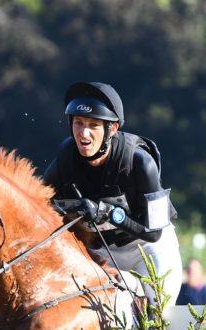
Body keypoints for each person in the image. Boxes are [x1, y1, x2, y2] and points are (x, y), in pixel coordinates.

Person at [43, 81, 183, 312]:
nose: (83, 133)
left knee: (161, 317)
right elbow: (42, 203)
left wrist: (107, 213)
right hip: (100, 252)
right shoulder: (66, 157)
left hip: (146, 250)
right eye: (78, 123)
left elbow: (154, 233)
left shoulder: (140, 162)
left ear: (113, 129)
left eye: (93, 125)